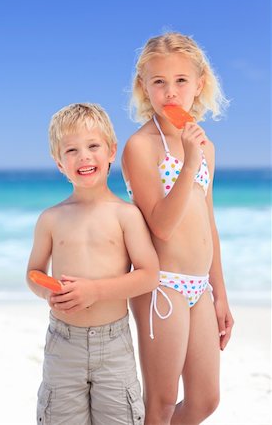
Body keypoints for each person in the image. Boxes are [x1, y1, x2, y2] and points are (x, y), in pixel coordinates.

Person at [122, 32, 234, 425]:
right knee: (163, 401)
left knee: (204, 400)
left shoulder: (207, 147)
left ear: (199, 85)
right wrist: (189, 162)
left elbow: (208, 225)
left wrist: (220, 293)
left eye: (181, 81)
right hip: (162, 285)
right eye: (159, 82)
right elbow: (163, 226)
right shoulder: (142, 146)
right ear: (143, 86)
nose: (171, 93)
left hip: (198, 286)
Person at [26, 102, 159, 425]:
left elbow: (149, 274)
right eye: (71, 150)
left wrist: (96, 291)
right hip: (63, 342)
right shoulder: (51, 218)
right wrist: (48, 292)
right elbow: (33, 273)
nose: (83, 156)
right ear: (59, 163)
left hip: (113, 343)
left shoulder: (126, 215)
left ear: (112, 151)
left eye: (93, 146)